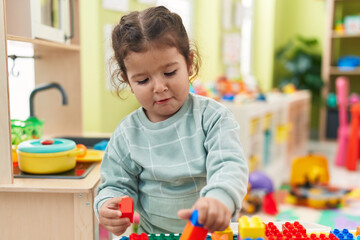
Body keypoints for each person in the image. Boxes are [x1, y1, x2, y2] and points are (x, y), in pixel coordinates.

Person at [94, 5, 249, 236]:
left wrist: (220, 199)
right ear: (127, 80)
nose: (159, 87)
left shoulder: (213, 118)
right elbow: (116, 184)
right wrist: (108, 205)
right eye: (143, 80)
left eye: (169, 73)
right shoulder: (127, 133)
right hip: (153, 234)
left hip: (210, 233)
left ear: (189, 63)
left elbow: (229, 166)